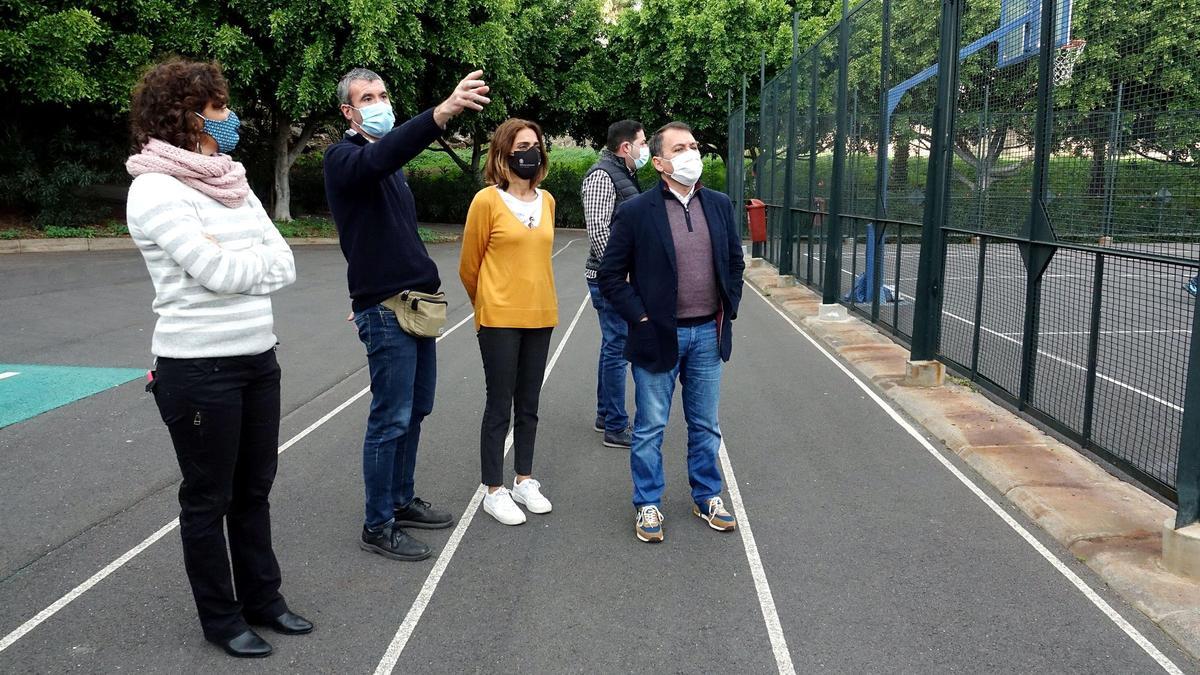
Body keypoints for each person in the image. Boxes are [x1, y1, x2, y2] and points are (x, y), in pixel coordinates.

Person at [125, 59, 310, 658]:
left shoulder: (230, 179)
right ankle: (222, 617)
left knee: (254, 489)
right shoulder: (154, 189)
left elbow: (282, 261)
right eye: (219, 109)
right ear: (186, 117)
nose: (229, 119)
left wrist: (239, 266)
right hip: (198, 369)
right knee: (209, 498)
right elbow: (217, 270)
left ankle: (265, 599)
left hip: (259, 357)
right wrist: (240, 264)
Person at [323, 68, 489, 560]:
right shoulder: (344, 157)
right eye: (366, 97)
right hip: (387, 310)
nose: (378, 102)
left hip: (416, 307)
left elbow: (389, 161)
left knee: (416, 410)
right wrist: (441, 113)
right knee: (390, 418)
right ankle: (378, 524)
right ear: (348, 113)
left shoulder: (387, 166)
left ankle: (400, 499)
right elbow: (382, 154)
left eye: (382, 94)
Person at [598, 121, 746, 544]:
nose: (691, 154)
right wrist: (641, 319)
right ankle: (647, 503)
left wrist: (728, 306)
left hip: (707, 336)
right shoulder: (636, 211)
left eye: (695, 145)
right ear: (660, 162)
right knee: (650, 427)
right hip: (658, 336)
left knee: (705, 424)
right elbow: (611, 276)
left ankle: (707, 496)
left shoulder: (718, 205)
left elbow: (734, 262)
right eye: (680, 148)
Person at [459, 119, 558, 525]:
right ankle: (494, 490)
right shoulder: (486, 201)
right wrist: (486, 306)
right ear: (503, 152)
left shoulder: (547, 200)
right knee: (500, 403)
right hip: (499, 318)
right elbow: (470, 267)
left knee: (529, 405)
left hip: (541, 314)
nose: (529, 152)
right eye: (521, 145)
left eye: (535, 144)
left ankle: (524, 479)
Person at [581, 120, 647, 449]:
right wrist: (619, 273)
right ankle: (616, 425)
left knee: (613, 346)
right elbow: (599, 230)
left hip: (617, 277)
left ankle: (606, 415)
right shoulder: (601, 176)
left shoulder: (622, 173)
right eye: (643, 143)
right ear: (625, 147)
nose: (645, 149)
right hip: (609, 280)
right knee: (618, 347)